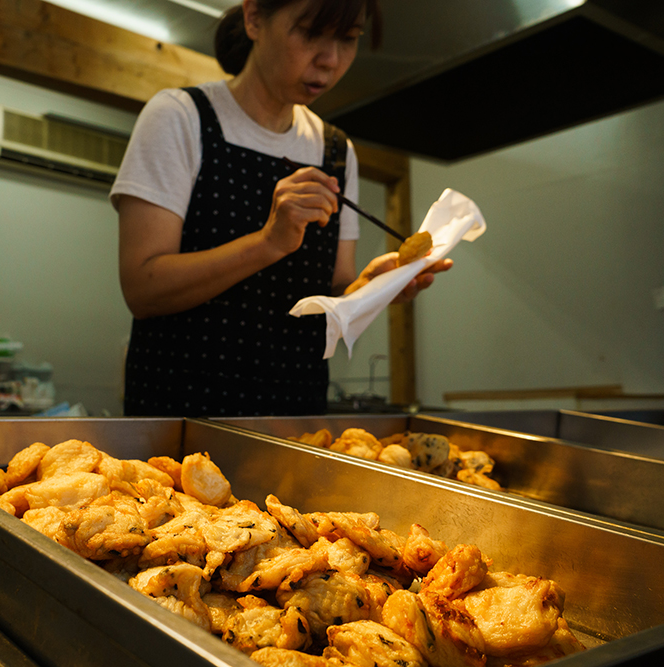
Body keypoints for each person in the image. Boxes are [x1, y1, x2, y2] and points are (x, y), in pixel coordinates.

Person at [110, 0, 451, 417]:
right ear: (254, 18)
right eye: (310, 32)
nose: (330, 61)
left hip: (295, 416)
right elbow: (142, 289)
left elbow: (334, 293)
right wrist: (268, 243)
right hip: (180, 416)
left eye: (348, 39)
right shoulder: (180, 117)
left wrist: (370, 288)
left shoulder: (336, 150)